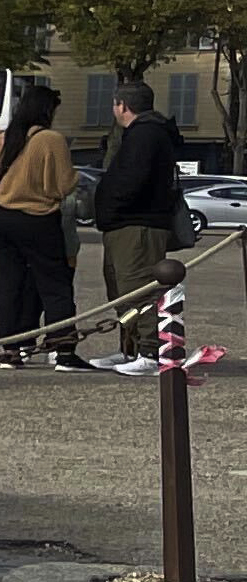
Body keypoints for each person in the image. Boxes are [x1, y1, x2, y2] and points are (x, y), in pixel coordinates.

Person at [0, 81, 94, 372]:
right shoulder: (51, 140)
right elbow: (64, 184)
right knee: (55, 285)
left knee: (8, 287)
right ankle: (63, 350)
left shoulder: (2, 138)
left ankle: (12, 350)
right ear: (47, 111)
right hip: (38, 218)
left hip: (0, 220)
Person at [92, 84, 189, 371]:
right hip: (128, 223)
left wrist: (110, 206)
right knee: (121, 288)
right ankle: (130, 348)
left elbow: (132, 180)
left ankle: (150, 351)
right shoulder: (145, 133)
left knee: (139, 286)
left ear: (122, 106)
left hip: (138, 224)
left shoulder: (145, 134)